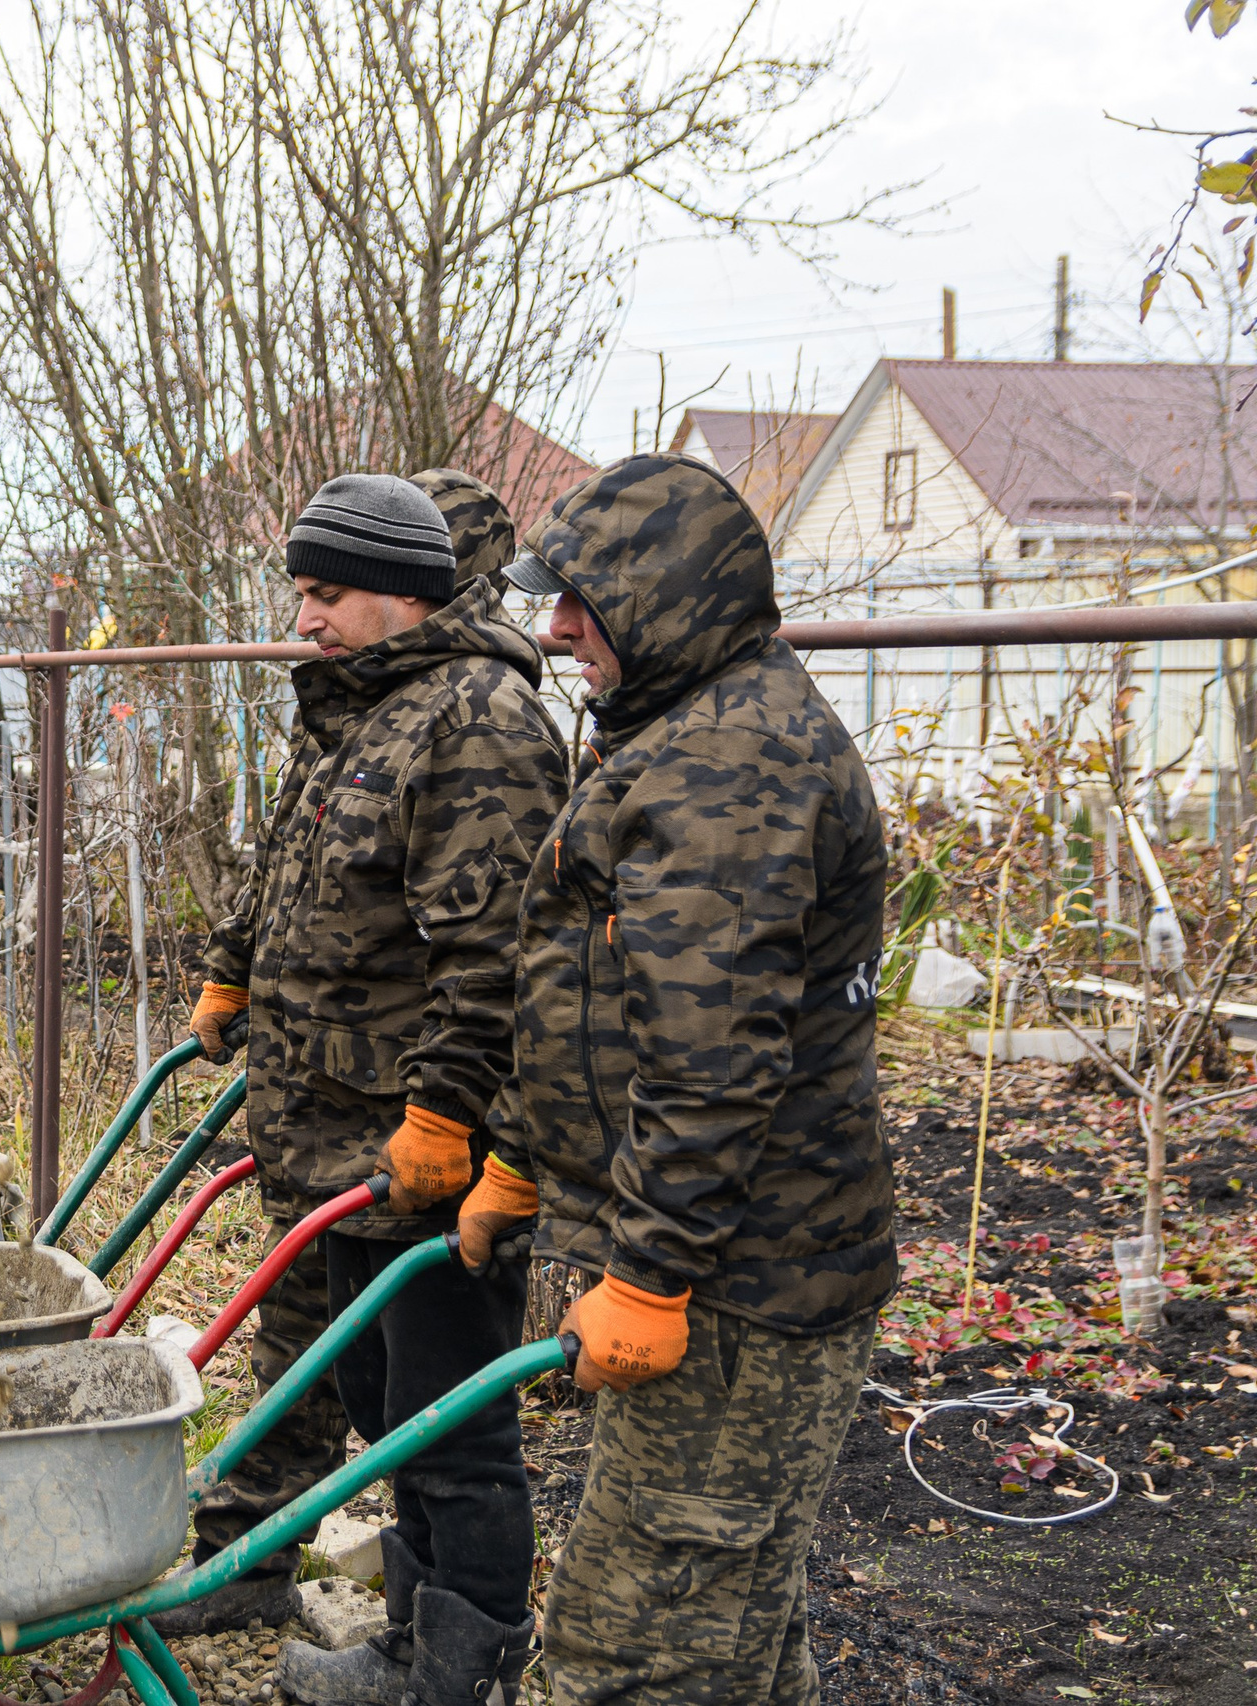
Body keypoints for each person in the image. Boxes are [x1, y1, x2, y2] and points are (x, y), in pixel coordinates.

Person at [459, 452, 894, 1703]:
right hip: (734, 1265)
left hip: (745, 1281)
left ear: (667, 598)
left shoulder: (735, 764)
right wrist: (522, 1156)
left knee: (632, 1648)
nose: (554, 628)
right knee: (734, 1632)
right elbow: (599, 999)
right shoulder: (676, 731)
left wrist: (647, 1273)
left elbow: (710, 1061)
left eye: (580, 600)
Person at [171, 470, 567, 1706]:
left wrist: (446, 1116)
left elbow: (496, 956)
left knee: (450, 1427)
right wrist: (235, 974)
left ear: (400, 592)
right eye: (301, 591)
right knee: (383, 1399)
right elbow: (300, 870)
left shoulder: (479, 723)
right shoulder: (372, 708)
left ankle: (462, 1665)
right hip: (342, 1139)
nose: (305, 618)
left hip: (419, 1150)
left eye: (325, 593)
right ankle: (413, 1643)